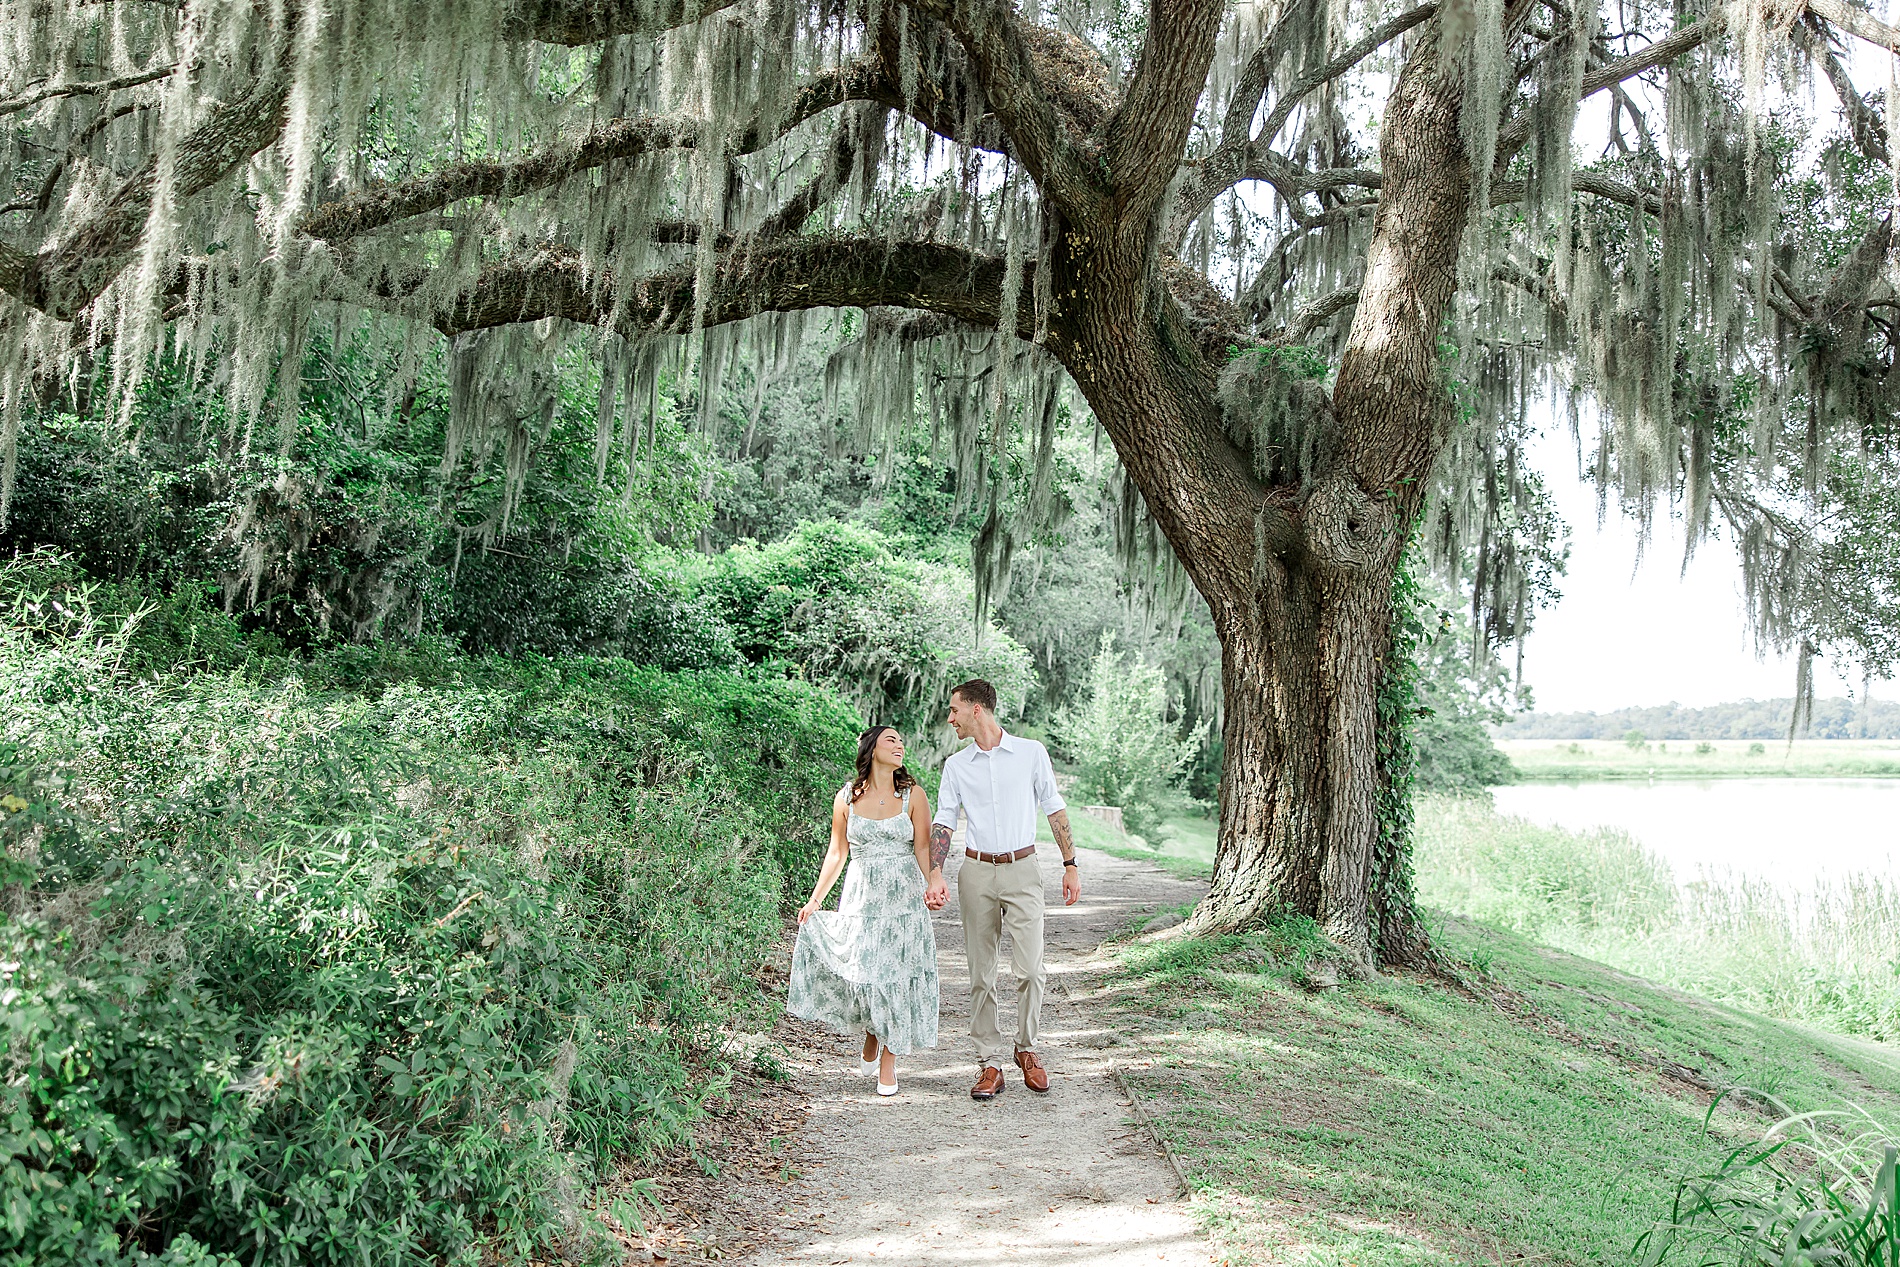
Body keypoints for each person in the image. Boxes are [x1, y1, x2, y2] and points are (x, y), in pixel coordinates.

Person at [924, 679, 1081, 1101]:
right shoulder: (956, 766)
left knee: (1031, 969)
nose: (950, 717)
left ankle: (1026, 1049)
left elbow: (1054, 807)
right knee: (981, 973)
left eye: (954, 709)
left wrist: (1070, 865)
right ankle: (989, 1062)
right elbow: (944, 820)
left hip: (1023, 869)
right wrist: (935, 873)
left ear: (977, 709)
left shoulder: (1031, 753)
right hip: (976, 872)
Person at [788, 725, 940, 1096]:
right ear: (872, 749)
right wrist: (816, 899)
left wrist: (934, 879)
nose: (900, 745)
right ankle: (872, 1029)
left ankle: (889, 1063)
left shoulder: (913, 796)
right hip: (862, 898)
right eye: (892, 740)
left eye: (902, 741)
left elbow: (923, 847)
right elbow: (837, 853)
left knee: (897, 976)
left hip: (903, 900)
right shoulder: (846, 797)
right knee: (865, 972)